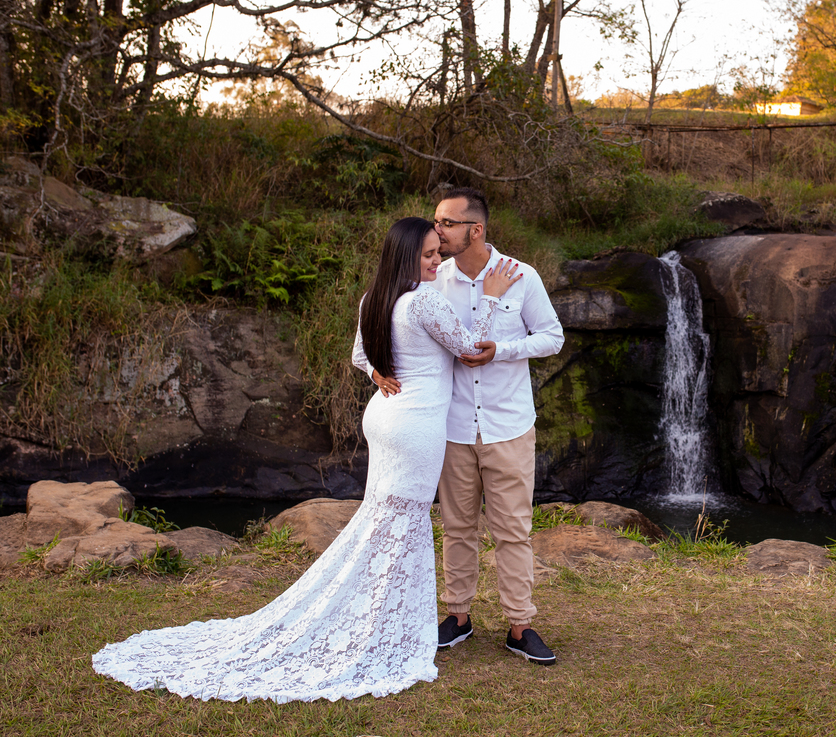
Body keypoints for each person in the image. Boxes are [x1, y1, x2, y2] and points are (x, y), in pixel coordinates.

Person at [92, 217, 520, 702]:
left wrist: (380, 373)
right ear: (404, 257)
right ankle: (385, 628)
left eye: (435, 253)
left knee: (384, 520)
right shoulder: (423, 299)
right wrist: (491, 297)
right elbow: (469, 351)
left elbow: (361, 356)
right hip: (415, 424)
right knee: (403, 522)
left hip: (384, 416)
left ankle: (377, 616)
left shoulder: (374, 298)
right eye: (426, 255)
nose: (435, 261)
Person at [371, 187, 564, 665]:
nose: (436, 231)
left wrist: (506, 349)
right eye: (436, 222)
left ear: (475, 229)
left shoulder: (522, 276)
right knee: (456, 527)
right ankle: (457, 617)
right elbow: (383, 317)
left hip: (509, 424)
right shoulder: (431, 277)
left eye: (446, 223)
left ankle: (520, 625)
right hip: (451, 425)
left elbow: (552, 337)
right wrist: (373, 367)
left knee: (512, 530)